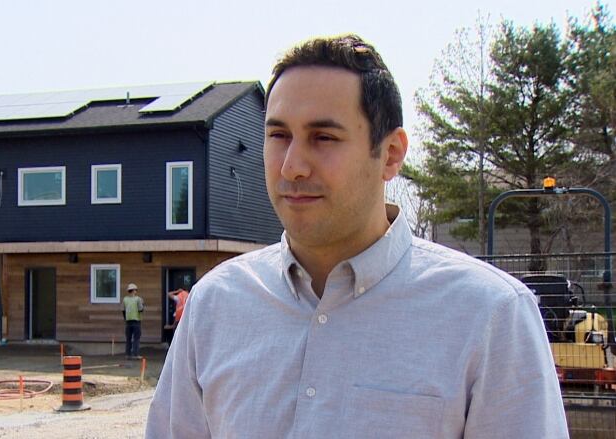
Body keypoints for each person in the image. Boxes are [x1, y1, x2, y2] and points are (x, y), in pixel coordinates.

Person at [146, 34, 568, 438]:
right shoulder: (214, 306)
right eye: (278, 135)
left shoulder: (490, 316)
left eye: (323, 137)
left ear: (390, 154)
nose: (292, 165)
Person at [122, 283, 143, 360]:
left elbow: (123, 310)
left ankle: (128, 354)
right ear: (134, 290)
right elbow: (141, 309)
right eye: (135, 290)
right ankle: (136, 354)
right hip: (136, 321)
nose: (136, 291)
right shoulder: (138, 299)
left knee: (128, 338)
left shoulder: (125, 299)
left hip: (128, 321)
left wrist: (125, 318)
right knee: (136, 338)